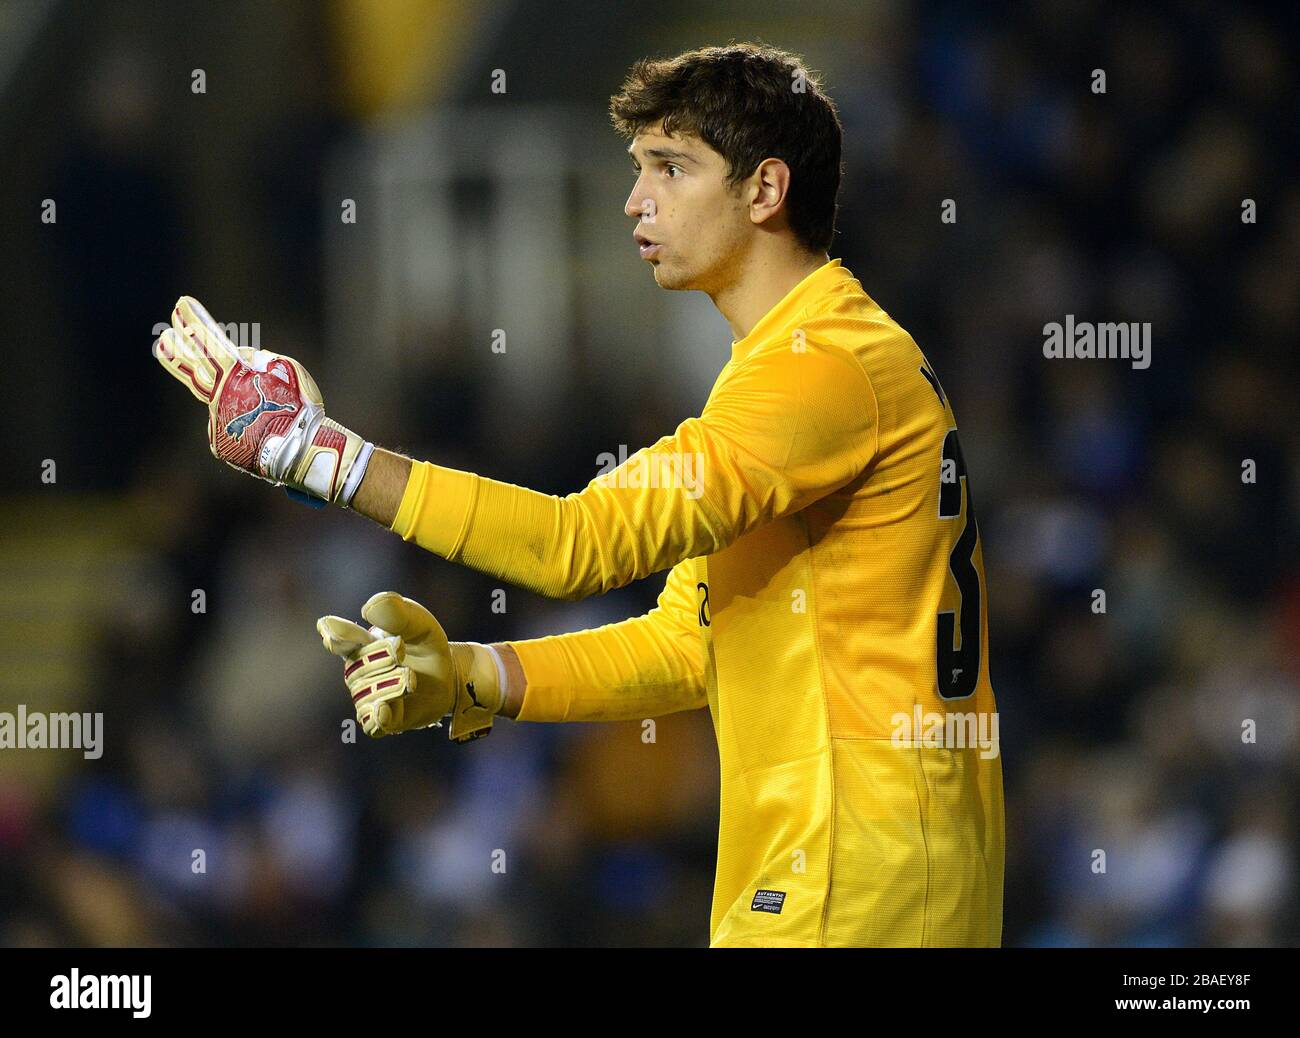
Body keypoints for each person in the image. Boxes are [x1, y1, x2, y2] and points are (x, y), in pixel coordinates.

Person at [155, 42, 1003, 948]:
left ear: (764, 191)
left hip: (855, 876)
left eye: (671, 169)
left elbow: (575, 544)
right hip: (869, 863)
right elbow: (689, 644)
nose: (636, 201)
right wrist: (477, 674)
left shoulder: (816, 371)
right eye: (640, 170)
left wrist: (325, 459)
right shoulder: (818, 359)